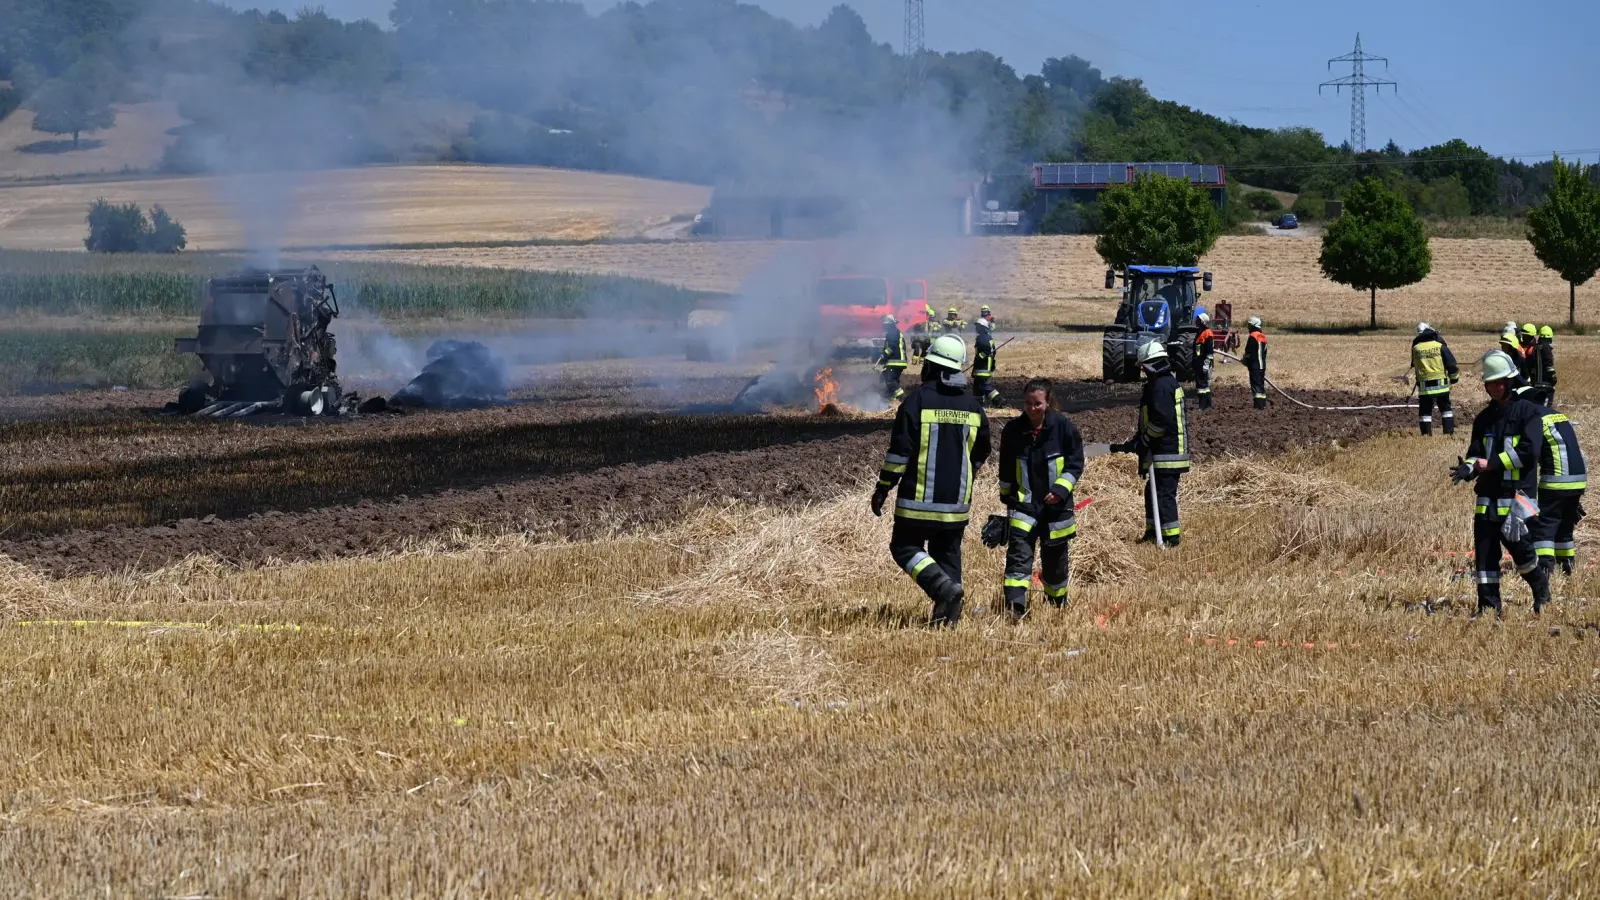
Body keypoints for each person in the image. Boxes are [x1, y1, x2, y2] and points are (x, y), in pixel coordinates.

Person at [872, 334, 991, 626]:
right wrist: (965, 474)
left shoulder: (917, 402)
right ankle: (946, 619)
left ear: (934, 368)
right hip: (957, 503)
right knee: (947, 554)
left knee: (904, 547)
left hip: (918, 501)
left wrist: (883, 487)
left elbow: (899, 454)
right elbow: (982, 451)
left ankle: (942, 587)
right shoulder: (974, 408)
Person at [1451, 350, 1550, 618]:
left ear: (1509, 382)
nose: (1493, 388)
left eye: (1498, 383)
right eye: (1489, 384)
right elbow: (1475, 453)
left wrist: (1491, 464)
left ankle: (1541, 591)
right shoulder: (1483, 419)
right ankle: (1488, 607)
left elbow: (1529, 451)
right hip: (1487, 498)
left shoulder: (1529, 413)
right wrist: (1468, 467)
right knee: (1484, 555)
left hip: (1518, 497)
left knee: (1521, 553)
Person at [998, 379, 1085, 618]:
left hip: (1056, 508)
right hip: (1024, 505)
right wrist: (1006, 498)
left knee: (1055, 559)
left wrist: (1060, 490)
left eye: (1037, 404)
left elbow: (1076, 463)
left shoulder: (1063, 427)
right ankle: (1015, 606)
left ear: (1047, 403)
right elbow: (1005, 467)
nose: (1032, 408)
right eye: (1028, 403)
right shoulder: (1013, 430)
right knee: (1018, 555)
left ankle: (1057, 605)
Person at [1111, 342, 1190, 547]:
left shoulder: (1162, 386)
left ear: (1151, 365)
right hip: (1163, 449)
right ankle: (1153, 532)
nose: (1143, 372)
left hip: (1168, 452)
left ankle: (1170, 538)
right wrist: (1138, 440)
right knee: (1152, 492)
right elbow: (1150, 419)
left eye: (1144, 367)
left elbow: (1160, 422)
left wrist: (1145, 441)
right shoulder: (1162, 384)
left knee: (1164, 494)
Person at [1529, 399, 1586, 580]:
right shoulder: (1558, 416)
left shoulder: (1534, 417)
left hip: (1555, 480)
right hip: (1578, 480)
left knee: (1544, 525)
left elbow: (1529, 452)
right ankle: (1567, 565)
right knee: (1564, 526)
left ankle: (1544, 568)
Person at [1411, 322, 1459, 436]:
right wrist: (1454, 378)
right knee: (1446, 410)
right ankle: (1448, 433)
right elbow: (1451, 364)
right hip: (1441, 386)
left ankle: (1426, 434)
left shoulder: (1416, 348)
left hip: (1424, 388)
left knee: (1425, 412)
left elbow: (1414, 365)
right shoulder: (1439, 346)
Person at [971, 315, 1003, 408]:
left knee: (984, 386)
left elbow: (986, 351)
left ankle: (998, 400)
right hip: (984, 367)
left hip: (982, 368)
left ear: (982, 327)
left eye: (978, 326)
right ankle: (978, 405)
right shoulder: (988, 338)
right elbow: (993, 352)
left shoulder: (982, 338)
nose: (976, 328)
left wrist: (979, 358)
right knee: (976, 388)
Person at [876, 314, 907, 403]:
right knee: (891, 379)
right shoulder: (895, 332)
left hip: (895, 361)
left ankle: (902, 398)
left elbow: (891, 347)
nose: (884, 327)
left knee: (890, 380)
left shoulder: (892, 333)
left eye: (885, 325)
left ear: (889, 325)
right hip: (898, 361)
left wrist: (884, 355)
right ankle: (891, 400)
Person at [1243, 315, 1269, 409]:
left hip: (1254, 366)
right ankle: (1263, 404)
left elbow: (1249, 351)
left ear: (1254, 326)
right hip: (1262, 366)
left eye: (1250, 325)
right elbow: (1264, 352)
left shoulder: (1253, 336)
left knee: (1256, 386)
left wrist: (1245, 360)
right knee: (1261, 385)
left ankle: (1258, 406)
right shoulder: (1263, 337)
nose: (1248, 327)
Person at [1193, 312, 1216, 410]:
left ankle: (1202, 406)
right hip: (1198, 361)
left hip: (1203, 362)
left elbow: (1210, 351)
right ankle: (1207, 405)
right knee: (1203, 384)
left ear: (1202, 322)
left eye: (1198, 319)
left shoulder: (1208, 333)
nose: (1196, 321)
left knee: (1202, 386)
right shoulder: (1200, 332)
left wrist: (1206, 364)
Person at [1535, 325, 1557, 407]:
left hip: (1536, 384)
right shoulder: (1546, 348)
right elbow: (1549, 367)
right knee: (1545, 408)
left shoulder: (1535, 348)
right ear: (1550, 339)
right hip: (1546, 385)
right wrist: (1553, 379)